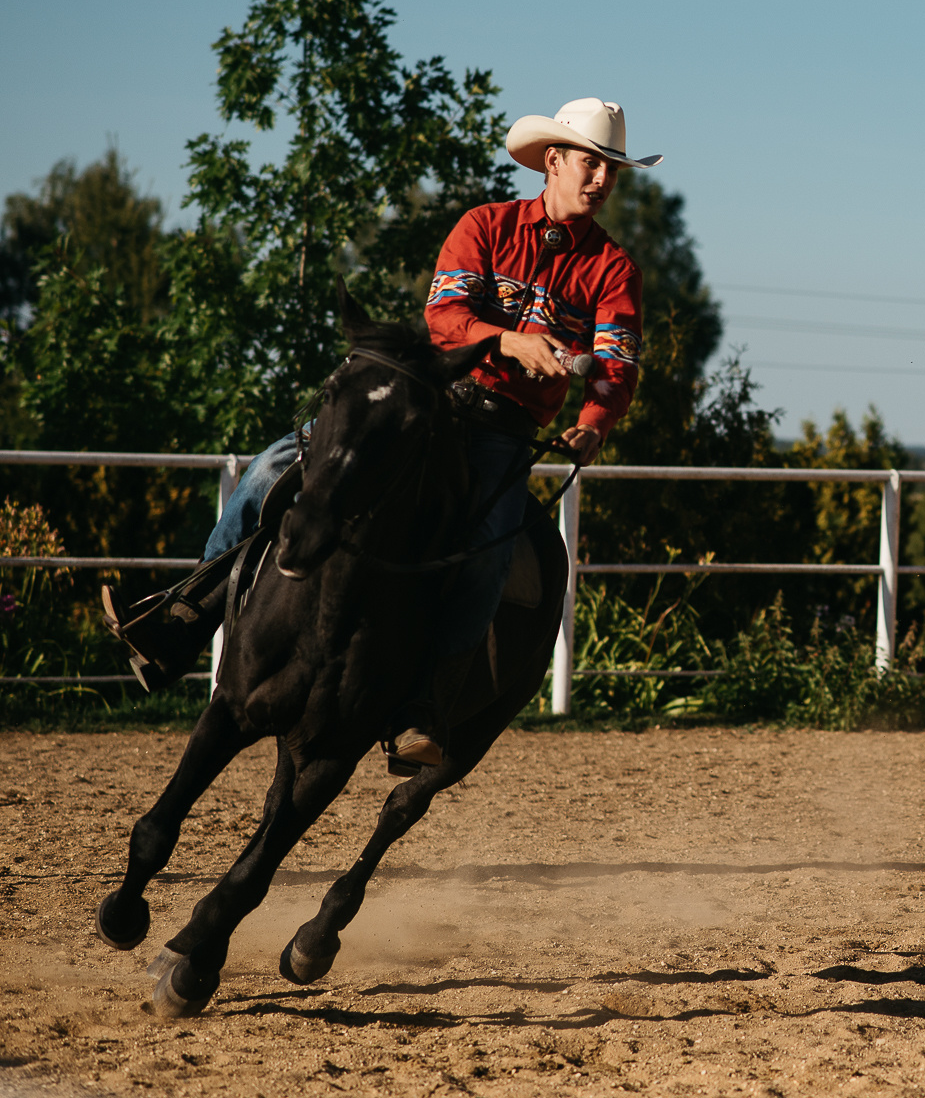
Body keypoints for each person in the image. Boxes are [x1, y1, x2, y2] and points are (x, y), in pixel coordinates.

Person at [102, 98, 653, 770]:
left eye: (611, 170)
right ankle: (183, 614)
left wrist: (593, 424)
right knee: (279, 465)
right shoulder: (485, 225)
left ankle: (421, 705)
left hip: (505, 430)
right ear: (555, 161)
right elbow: (444, 316)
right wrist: (508, 339)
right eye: (590, 163)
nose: (599, 180)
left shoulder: (614, 270)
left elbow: (616, 365)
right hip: (433, 396)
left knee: (487, 553)